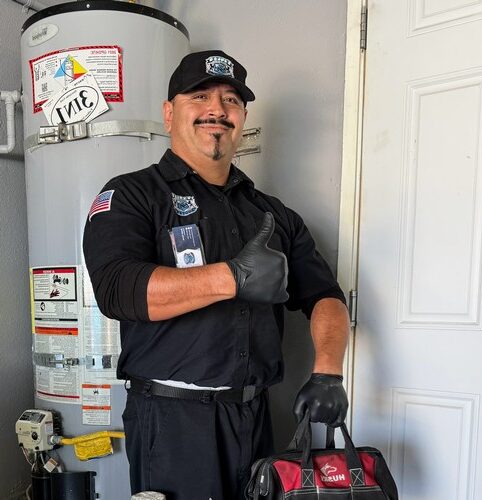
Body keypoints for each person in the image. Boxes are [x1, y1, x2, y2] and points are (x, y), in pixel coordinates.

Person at [83, 50, 350, 500]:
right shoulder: (130, 194)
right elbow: (117, 289)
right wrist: (231, 278)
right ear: (169, 113)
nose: (216, 110)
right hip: (172, 423)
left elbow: (326, 295)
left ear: (242, 116)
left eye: (231, 100)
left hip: (255, 416)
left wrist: (328, 372)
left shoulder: (273, 214)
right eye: (200, 96)